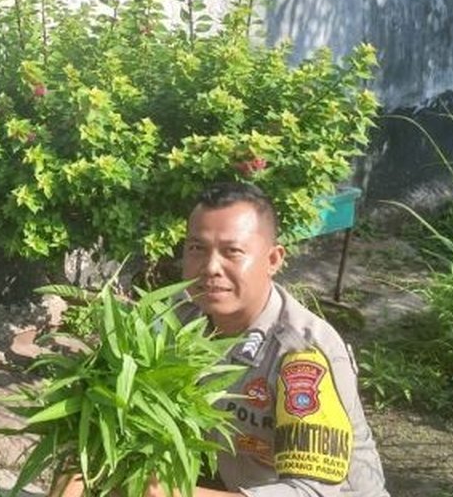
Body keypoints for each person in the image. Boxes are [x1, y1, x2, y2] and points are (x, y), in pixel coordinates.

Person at [53, 182, 389, 497]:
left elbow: (311, 492)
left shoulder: (301, 353)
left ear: (273, 260)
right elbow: (99, 421)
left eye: (233, 252)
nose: (211, 267)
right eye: (197, 248)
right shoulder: (173, 319)